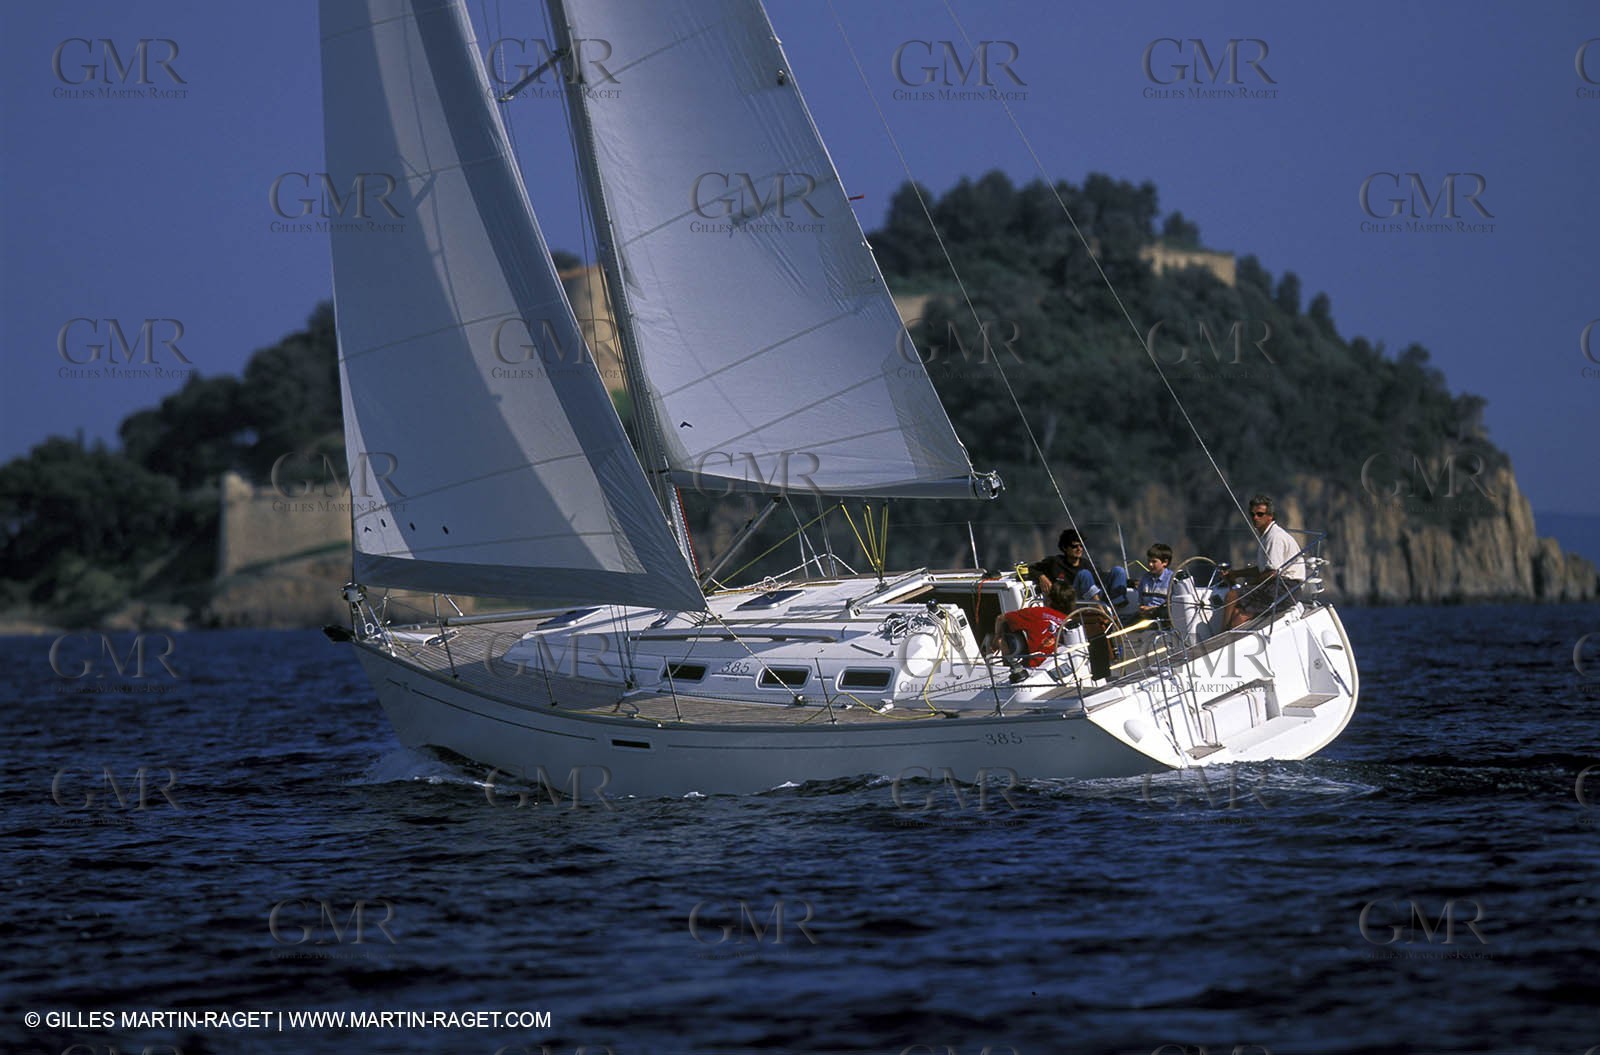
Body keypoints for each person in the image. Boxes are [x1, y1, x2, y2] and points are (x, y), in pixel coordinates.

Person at [1222, 494, 1306, 629]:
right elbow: (1263, 569)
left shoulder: (1274, 537)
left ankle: (1222, 635)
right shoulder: (1268, 535)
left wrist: (1249, 584)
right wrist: (1235, 574)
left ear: (1270, 516)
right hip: (1280, 587)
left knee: (1232, 595)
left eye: (1260, 514)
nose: (1255, 518)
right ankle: (1229, 636)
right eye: (1252, 514)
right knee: (1238, 613)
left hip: (1285, 589)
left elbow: (1272, 573)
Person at [993, 579, 1076, 682]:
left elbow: (1000, 618)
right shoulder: (1072, 621)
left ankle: (1010, 666)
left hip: (1037, 668)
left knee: (1003, 635)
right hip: (1069, 664)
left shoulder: (1035, 613)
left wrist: (996, 639)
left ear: (1050, 599)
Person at [1031, 528, 1127, 609]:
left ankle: (1116, 608)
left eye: (1081, 545)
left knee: (1118, 571)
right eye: (1074, 546)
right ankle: (1101, 613)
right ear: (1065, 548)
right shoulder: (1054, 562)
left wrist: (1131, 582)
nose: (1079, 549)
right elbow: (1030, 569)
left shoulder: (1087, 564)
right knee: (1084, 574)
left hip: (1091, 597)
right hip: (1071, 601)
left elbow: (1101, 577)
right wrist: (1041, 577)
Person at [1135, 543, 1174, 626]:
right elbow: (1140, 600)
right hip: (1146, 617)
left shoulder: (1172, 579)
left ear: (1165, 562)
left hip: (1163, 619)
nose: (1150, 565)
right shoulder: (1145, 578)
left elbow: (1173, 606)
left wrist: (1153, 609)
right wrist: (1143, 609)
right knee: (1122, 626)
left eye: (1154, 561)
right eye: (1149, 561)